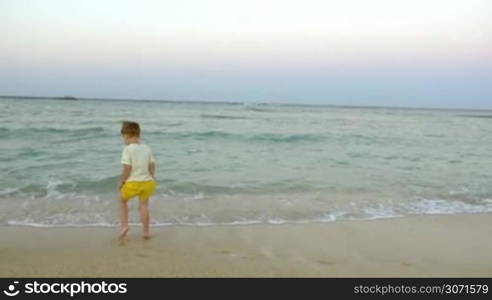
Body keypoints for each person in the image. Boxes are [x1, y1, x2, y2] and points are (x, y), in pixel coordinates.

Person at [118, 121, 156, 239]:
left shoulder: (128, 149)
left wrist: (122, 181)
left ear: (126, 135)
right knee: (143, 205)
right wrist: (151, 176)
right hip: (148, 183)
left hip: (133, 183)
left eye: (123, 137)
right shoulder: (147, 148)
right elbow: (152, 165)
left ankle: (124, 226)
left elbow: (127, 168)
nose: (124, 140)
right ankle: (145, 232)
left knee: (122, 201)